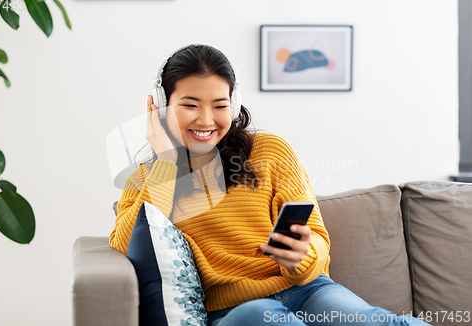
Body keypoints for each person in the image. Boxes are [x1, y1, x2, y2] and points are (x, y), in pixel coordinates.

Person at [109, 44, 430, 326]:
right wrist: (166, 161)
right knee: (259, 316)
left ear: (233, 105)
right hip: (236, 312)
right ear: (162, 105)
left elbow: (317, 238)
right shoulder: (147, 181)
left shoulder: (270, 150)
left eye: (219, 106)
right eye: (190, 105)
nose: (206, 120)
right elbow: (127, 245)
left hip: (307, 291)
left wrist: (300, 256)